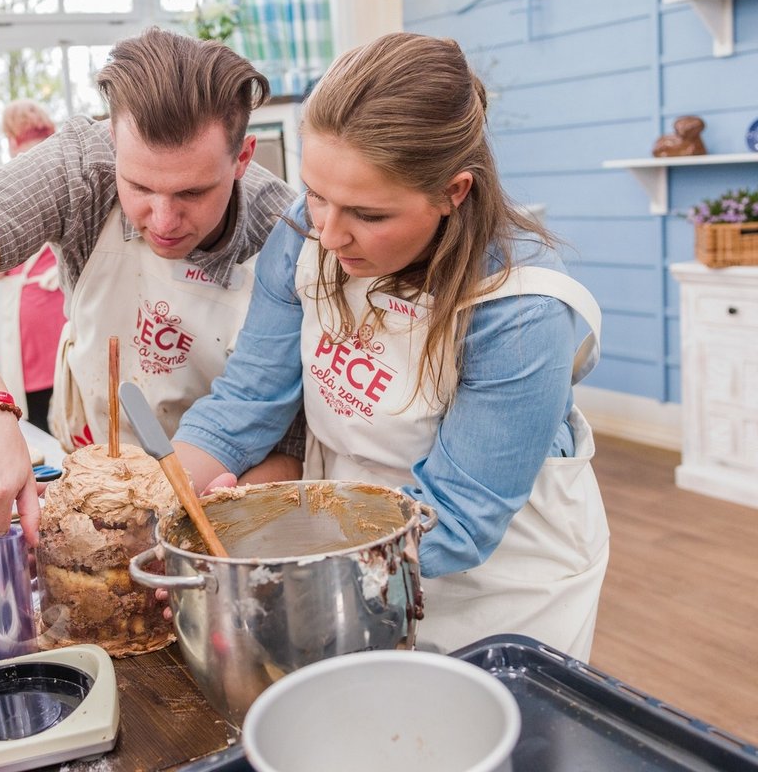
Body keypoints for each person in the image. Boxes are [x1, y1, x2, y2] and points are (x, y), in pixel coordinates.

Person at [173, 33, 610, 661]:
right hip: (343, 553)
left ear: (452, 193)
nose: (327, 233)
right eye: (316, 194)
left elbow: (458, 519)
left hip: (495, 592)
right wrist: (158, 513)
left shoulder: (520, 312)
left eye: (367, 215)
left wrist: (283, 557)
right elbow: (246, 401)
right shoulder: (304, 239)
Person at [0, 28, 299, 579]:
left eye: (191, 194)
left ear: (242, 158)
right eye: (139, 187)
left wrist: (197, 523)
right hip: (89, 477)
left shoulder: (286, 234)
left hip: (219, 517)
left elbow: (294, 448)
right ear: (113, 142)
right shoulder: (81, 165)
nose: (162, 221)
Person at [0, 100, 65, 433]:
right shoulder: (63, 161)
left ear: (11, 135)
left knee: (36, 417)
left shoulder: (14, 173)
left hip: (31, 315)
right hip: (62, 307)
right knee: (67, 395)